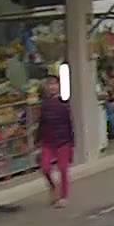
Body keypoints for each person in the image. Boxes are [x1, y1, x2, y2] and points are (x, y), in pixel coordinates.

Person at [36, 76, 74, 207]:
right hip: (48, 141)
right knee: (45, 167)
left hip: (63, 140)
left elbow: (69, 123)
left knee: (63, 168)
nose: (52, 87)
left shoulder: (64, 103)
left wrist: (71, 142)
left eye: (55, 84)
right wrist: (37, 140)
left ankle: (63, 197)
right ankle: (53, 187)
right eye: (50, 84)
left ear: (59, 86)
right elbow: (41, 123)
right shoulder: (44, 104)